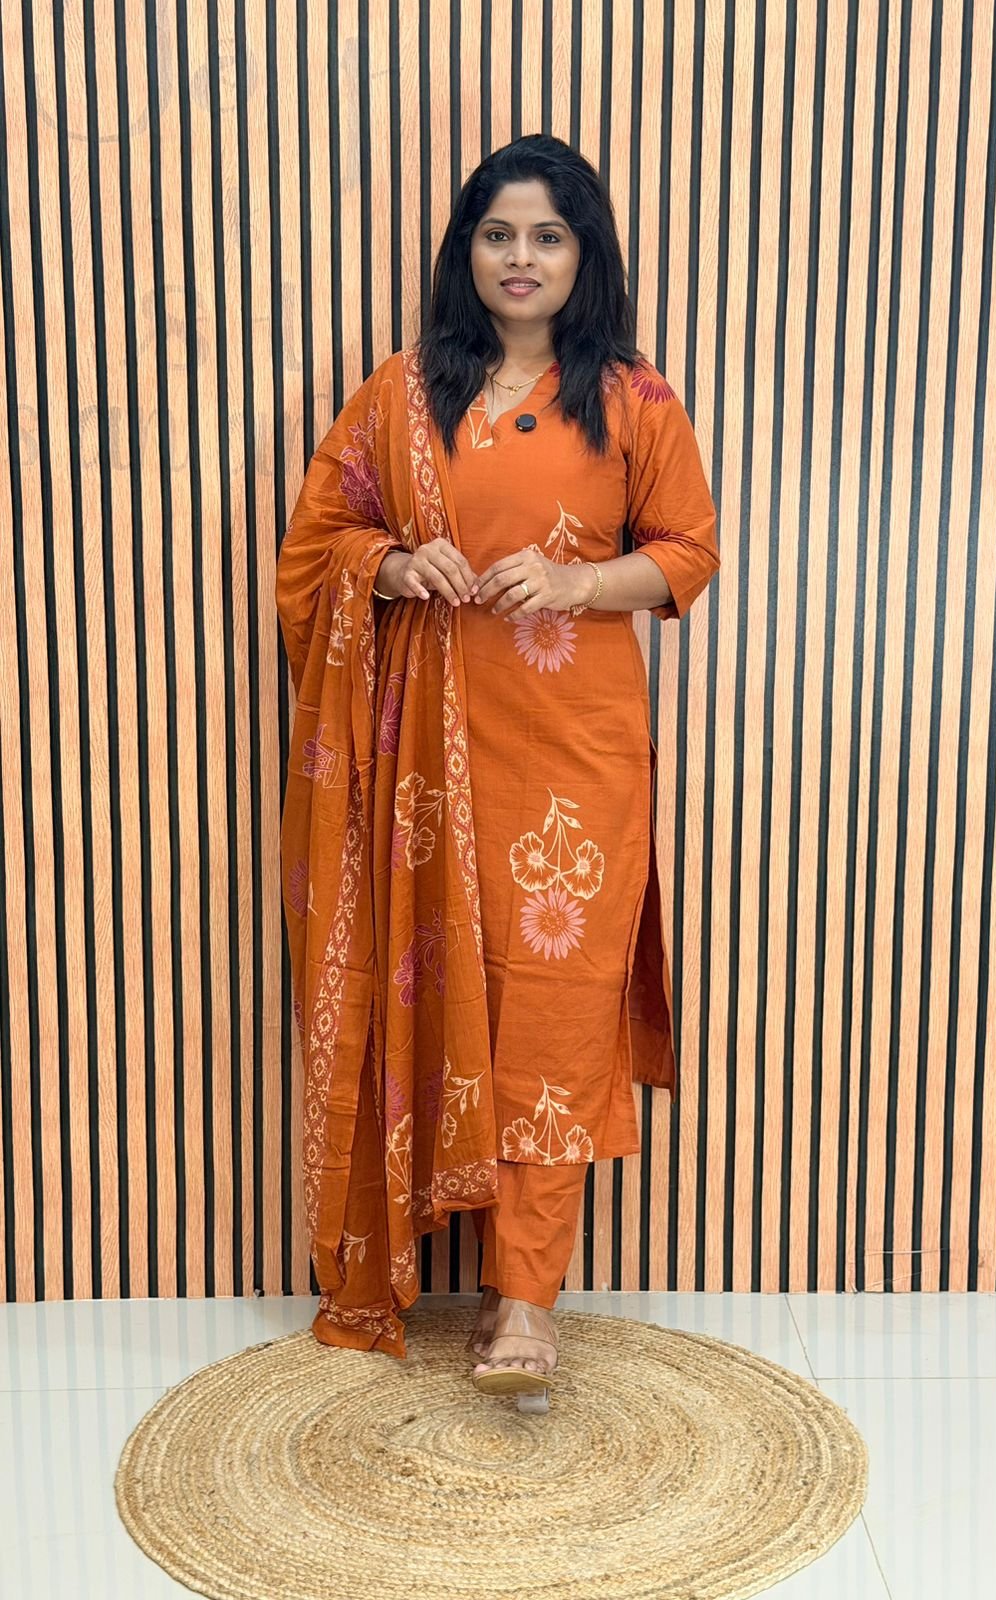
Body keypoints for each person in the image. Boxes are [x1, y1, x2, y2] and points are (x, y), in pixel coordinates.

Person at [275, 133, 719, 1395]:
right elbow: (319, 540)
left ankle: (524, 1299)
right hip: (421, 759)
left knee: (550, 1013)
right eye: (497, 234)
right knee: (432, 987)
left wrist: (579, 582)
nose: (519, 258)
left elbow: (687, 550)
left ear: (583, 255)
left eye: (546, 236)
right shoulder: (402, 392)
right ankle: (421, 1262)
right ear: (465, 250)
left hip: (574, 756)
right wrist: (389, 564)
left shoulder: (631, 398)